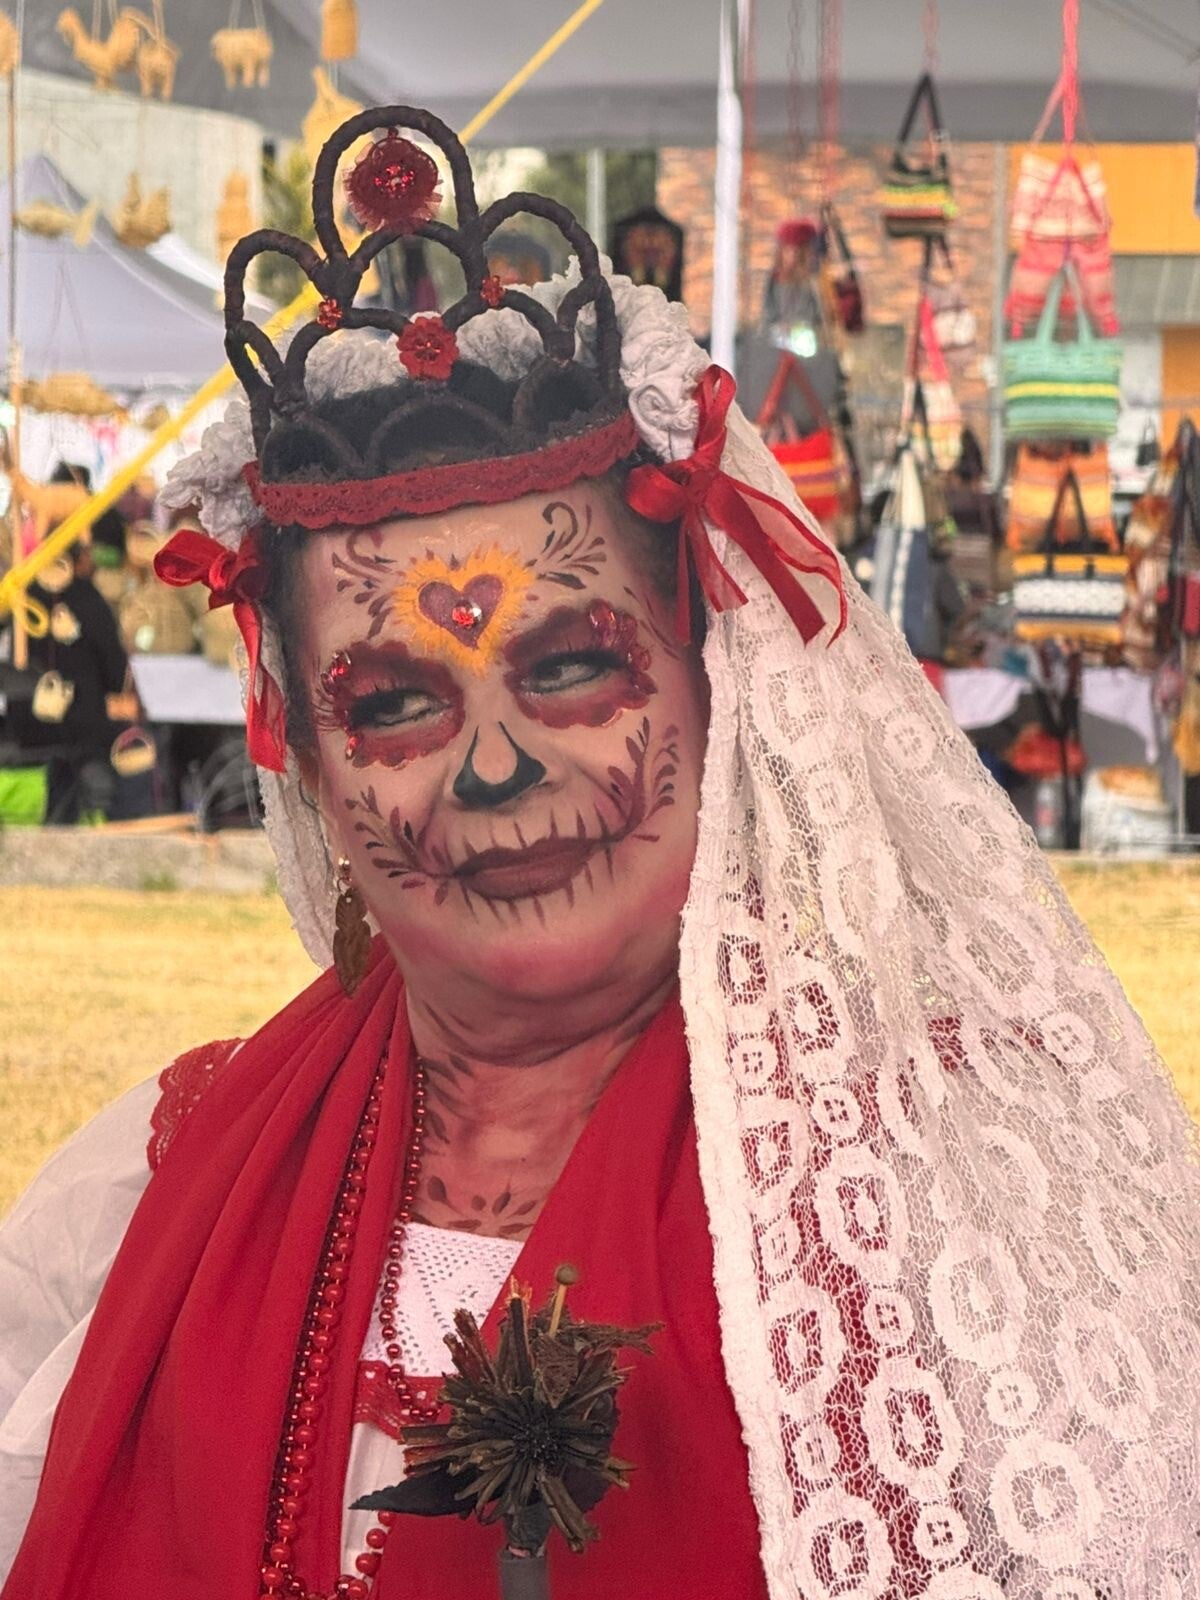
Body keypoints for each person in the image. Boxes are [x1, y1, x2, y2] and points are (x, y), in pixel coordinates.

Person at [2, 103, 1198, 1600]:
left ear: (711, 679)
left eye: (571, 666)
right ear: (300, 748)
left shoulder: (945, 1178)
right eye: (394, 702)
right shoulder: (163, 1181)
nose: (496, 763)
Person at [6, 537, 129, 822]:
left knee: (53, 791)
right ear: (78, 559)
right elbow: (113, 663)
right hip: (84, 719)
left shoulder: (20, 595)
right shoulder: (90, 600)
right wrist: (112, 687)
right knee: (85, 792)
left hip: (29, 723)